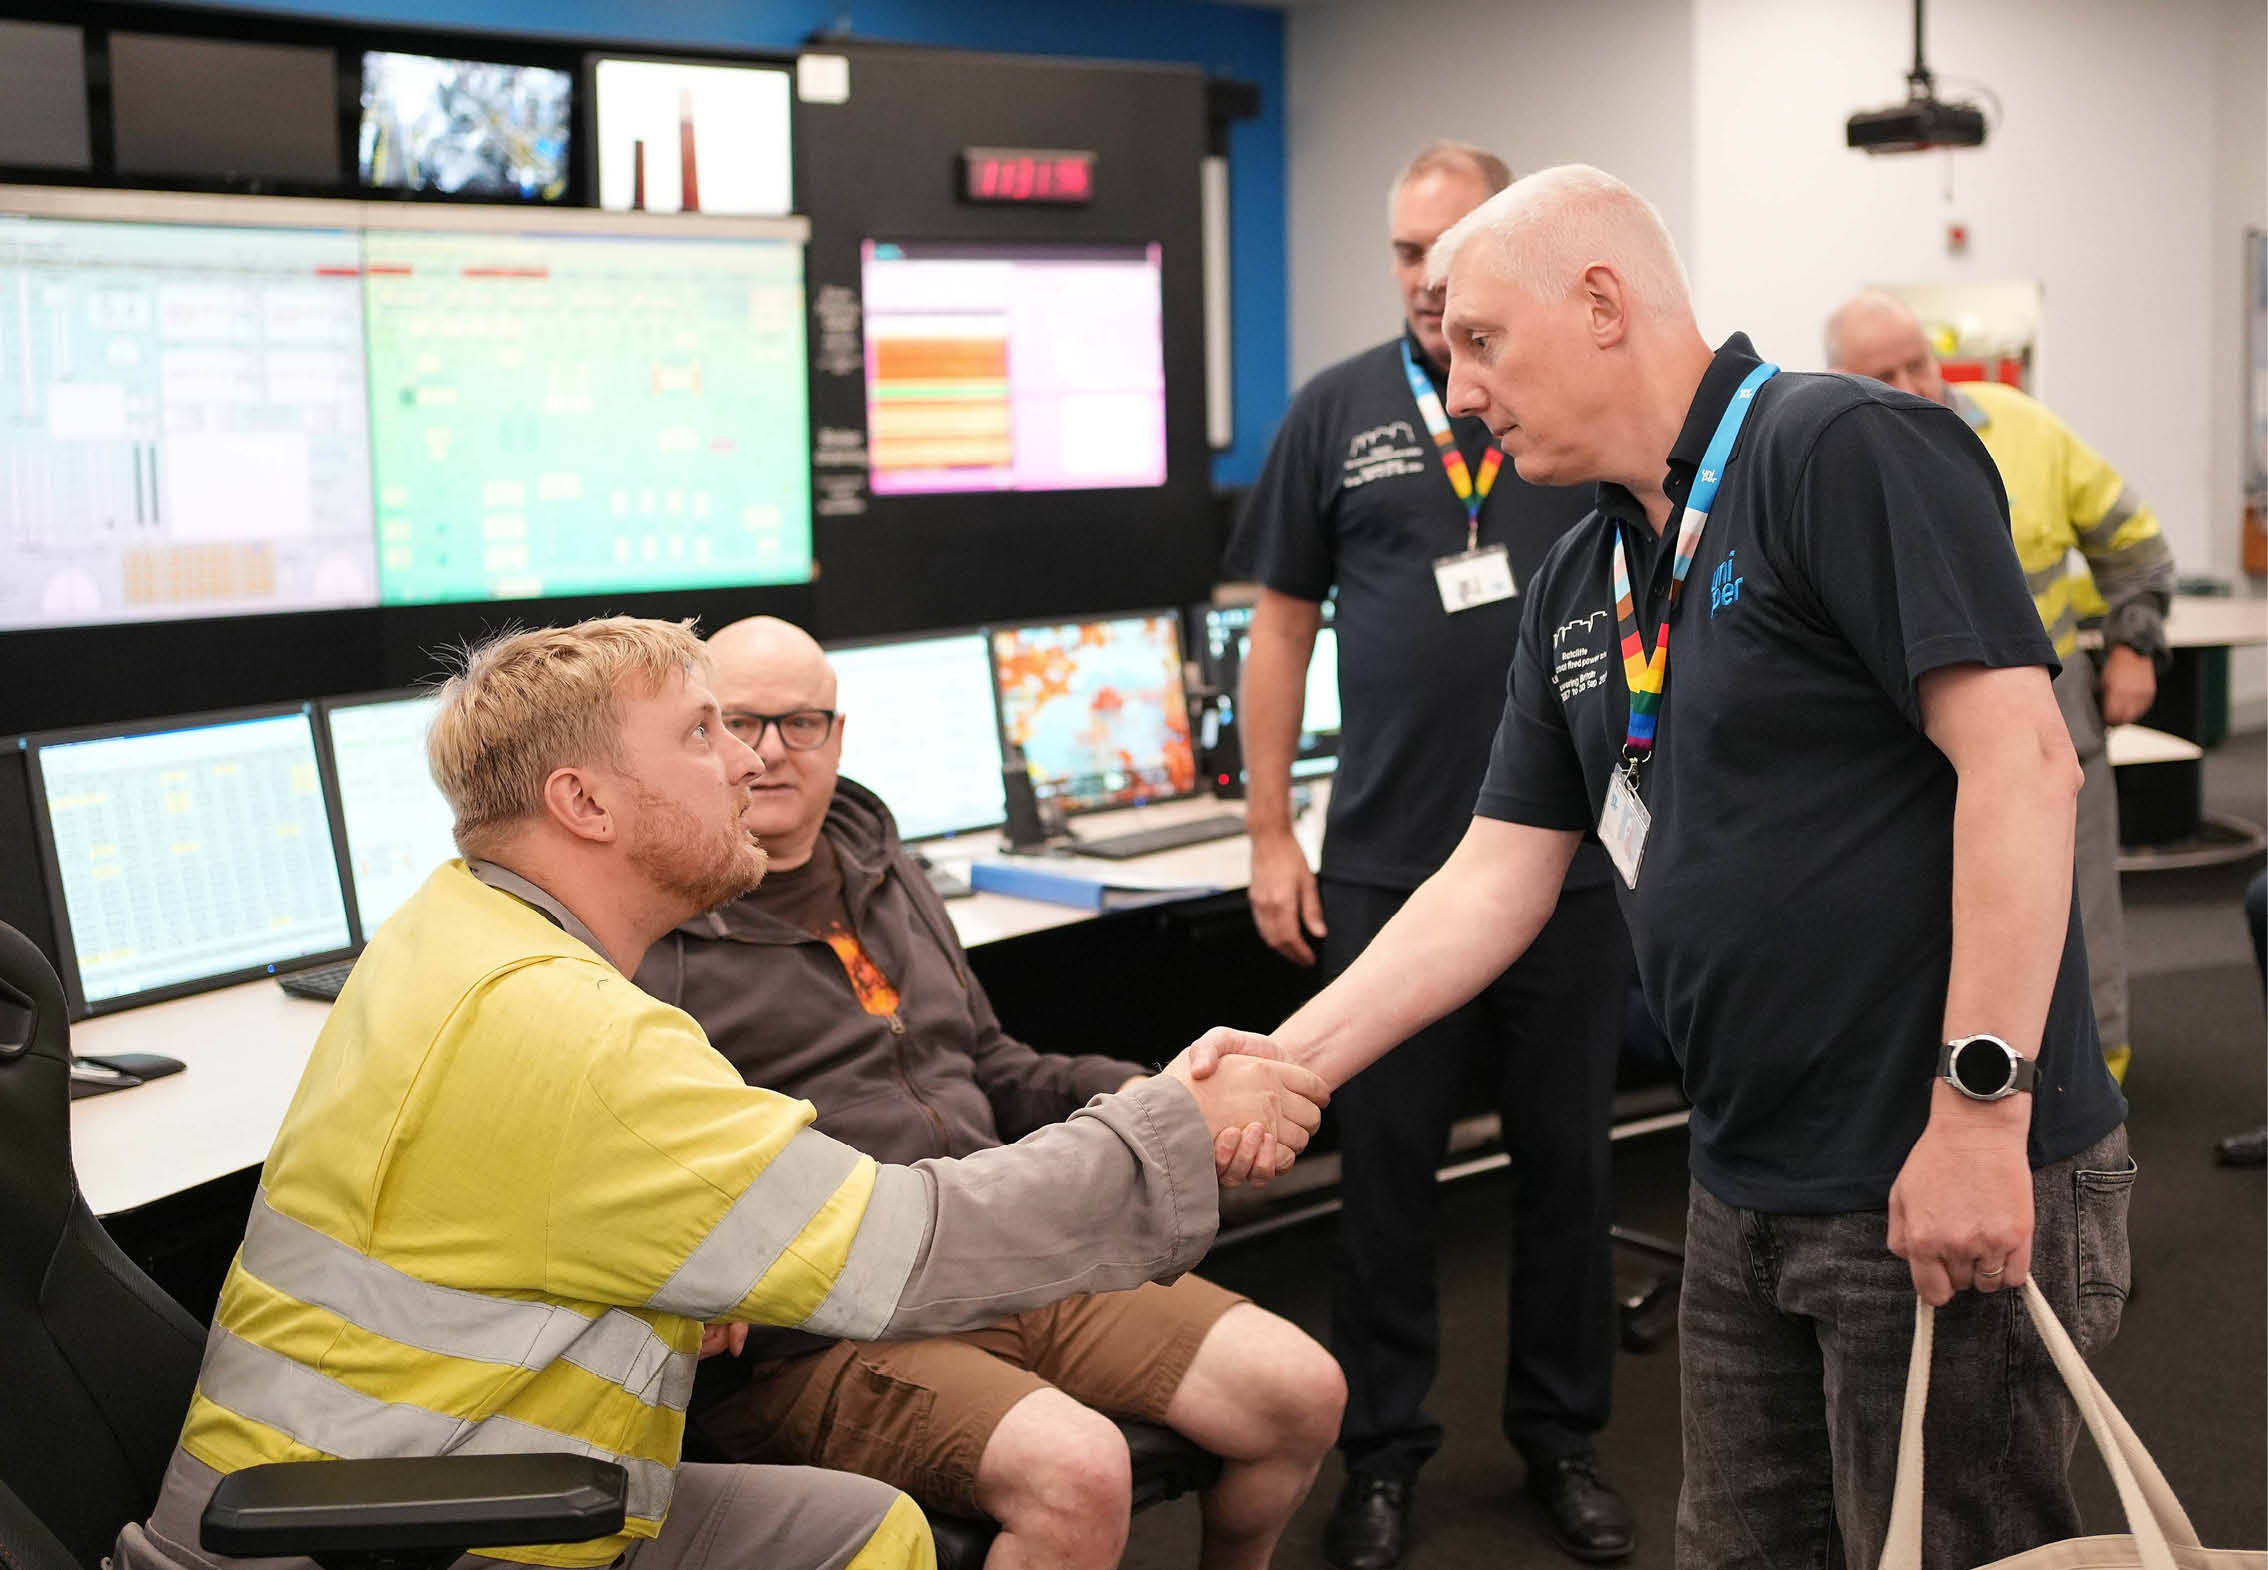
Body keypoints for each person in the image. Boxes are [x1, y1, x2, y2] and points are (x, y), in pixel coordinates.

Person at [1190, 165, 2134, 1567]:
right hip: (1745, 1182)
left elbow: (2025, 765)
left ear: (1600, 301)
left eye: (1482, 344)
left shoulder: (1843, 448)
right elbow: (1492, 877)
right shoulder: (1589, 572)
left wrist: (1981, 1115)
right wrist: (1294, 1057)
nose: (1459, 392)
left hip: (1936, 1158)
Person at [112, 617, 1330, 1570]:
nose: (745, 764)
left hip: (434, 1460)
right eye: (703, 734)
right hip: (393, 1526)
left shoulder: (451, 928)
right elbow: (909, 1244)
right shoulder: (581, 1033)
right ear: (584, 803)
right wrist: (1175, 1121)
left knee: (873, 1536)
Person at [633, 615, 1346, 1570]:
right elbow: (663, 1165)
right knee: (1080, 1476)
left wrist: (1163, 1099)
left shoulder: (883, 867)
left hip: (1007, 1246)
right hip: (831, 1319)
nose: (767, 752)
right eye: (738, 723)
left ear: (838, 737)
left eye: (800, 723)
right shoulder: (652, 931)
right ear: (703, 739)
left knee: (1300, 1392)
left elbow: (990, 1065)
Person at [1230, 140, 1633, 1568]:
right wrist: (1272, 829)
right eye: (1404, 252)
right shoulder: (1337, 410)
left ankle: (1561, 1440)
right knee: (1384, 1187)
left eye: (1449, 247)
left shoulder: (1568, 408)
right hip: (1392, 865)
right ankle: (1384, 1454)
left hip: (1574, 871)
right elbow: (1277, 624)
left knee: (1570, 1174)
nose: (1422, 277)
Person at [1826, 289, 2176, 1085]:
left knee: (2079, 920)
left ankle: (2096, 1099)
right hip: (1906, 746)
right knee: (1940, 930)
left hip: (2054, 729)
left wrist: (2134, 648)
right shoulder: (1831, 463)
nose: (1915, 383)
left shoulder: (2023, 427)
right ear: (1840, 377)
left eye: (1920, 360)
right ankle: (1960, 1092)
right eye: (1885, 371)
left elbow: (2139, 548)